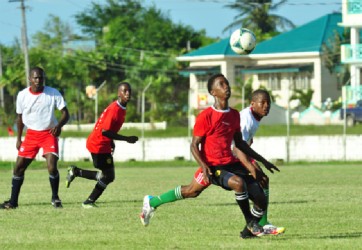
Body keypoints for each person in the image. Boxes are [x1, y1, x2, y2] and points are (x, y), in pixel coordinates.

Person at [140, 73, 279, 238]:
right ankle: (251, 222)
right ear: (213, 92)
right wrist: (205, 166)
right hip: (213, 167)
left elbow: (239, 143)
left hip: (230, 164)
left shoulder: (234, 115)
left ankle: (152, 202)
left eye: (226, 83)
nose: (226, 86)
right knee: (238, 183)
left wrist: (264, 161)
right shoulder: (206, 116)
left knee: (193, 192)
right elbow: (193, 145)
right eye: (221, 84)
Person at [0, 66, 69, 209]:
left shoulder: (53, 93)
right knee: (18, 168)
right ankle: (13, 202)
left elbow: (65, 114)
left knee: (51, 167)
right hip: (31, 134)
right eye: (36, 78)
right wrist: (19, 138)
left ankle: (55, 198)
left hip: (49, 134)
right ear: (30, 79)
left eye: (41, 77)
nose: (39, 80)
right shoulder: (22, 95)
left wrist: (59, 126)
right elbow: (19, 118)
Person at [65, 82, 138, 208]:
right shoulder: (115, 109)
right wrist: (126, 139)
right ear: (118, 93)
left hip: (101, 143)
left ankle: (76, 172)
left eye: (129, 91)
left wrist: (111, 141)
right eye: (124, 91)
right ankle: (88, 201)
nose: (128, 93)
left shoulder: (121, 108)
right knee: (108, 176)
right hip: (98, 145)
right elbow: (105, 131)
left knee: (107, 175)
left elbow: (109, 129)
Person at [233, 89, 285, 237]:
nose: (266, 106)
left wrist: (263, 162)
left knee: (263, 180)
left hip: (240, 156)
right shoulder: (246, 119)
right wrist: (251, 166)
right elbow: (236, 147)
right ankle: (259, 223)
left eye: (268, 102)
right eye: (262, 102)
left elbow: (245, 145)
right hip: (228, 159)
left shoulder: (254, 117)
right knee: (192, 190)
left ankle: (262, 223)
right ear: (253, 104)